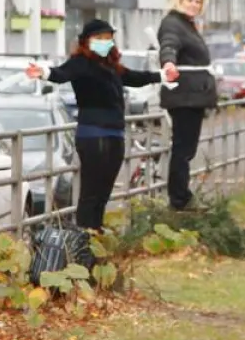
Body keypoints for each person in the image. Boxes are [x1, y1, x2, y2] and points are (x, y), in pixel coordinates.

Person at [25, 19, 178, 230]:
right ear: (86, 41)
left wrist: (162, 76)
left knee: (103, 195)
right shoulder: (80, 62)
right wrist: (44, 73)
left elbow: (134, 77)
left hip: (115, 135)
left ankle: (95, 237)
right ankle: (85, 240)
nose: (104, 42)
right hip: (94, 136)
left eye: (108, 38)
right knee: (91, 193)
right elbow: (61, 74)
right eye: (99, 38)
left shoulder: (110, 66)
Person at [156, 0, 217, 212]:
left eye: (197, 1)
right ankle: (179, 198)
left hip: (193, 96)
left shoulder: (188, 25)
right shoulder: (173, 24)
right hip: (185, 97)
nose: (193, 4)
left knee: (187, 149)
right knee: (183, 149)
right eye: (189, 0)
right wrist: (169, 62)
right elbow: (169, 45)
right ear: (179, 1)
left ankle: (182, 195)